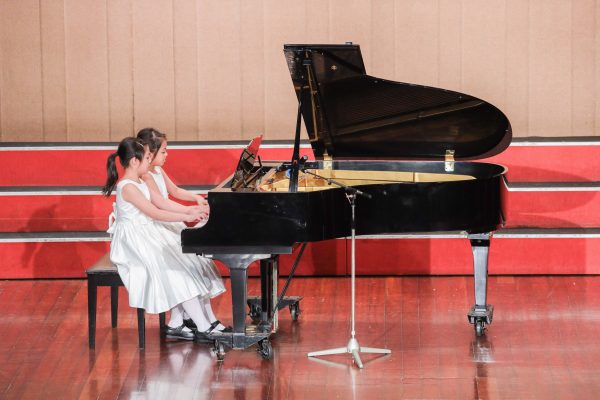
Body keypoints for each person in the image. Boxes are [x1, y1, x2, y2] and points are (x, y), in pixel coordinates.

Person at [102, 137, 225, 341]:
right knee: (176, 270)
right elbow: (155, 213)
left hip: (147, 233)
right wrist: (187, 216)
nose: (149, 161)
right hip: (133, 241)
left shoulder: (140, 181)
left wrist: (191, 211)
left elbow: (161, 203)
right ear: (134, 161)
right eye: (146, 158)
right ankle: (202, 326)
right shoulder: (127, 187)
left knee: (184, 263)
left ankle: (189, 322)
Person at [136, 128, 230, 333]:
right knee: (184, 265)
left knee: (198, 261)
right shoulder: (145, 177)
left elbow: (175, 191)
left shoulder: (157, 170)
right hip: (156, 228)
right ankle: (193, 320)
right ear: (149, 152)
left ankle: (190, 318)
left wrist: (195, 199)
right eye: (163, 151)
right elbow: (161, 205)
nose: (167, 154)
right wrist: (189, 212)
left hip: (167, 223)